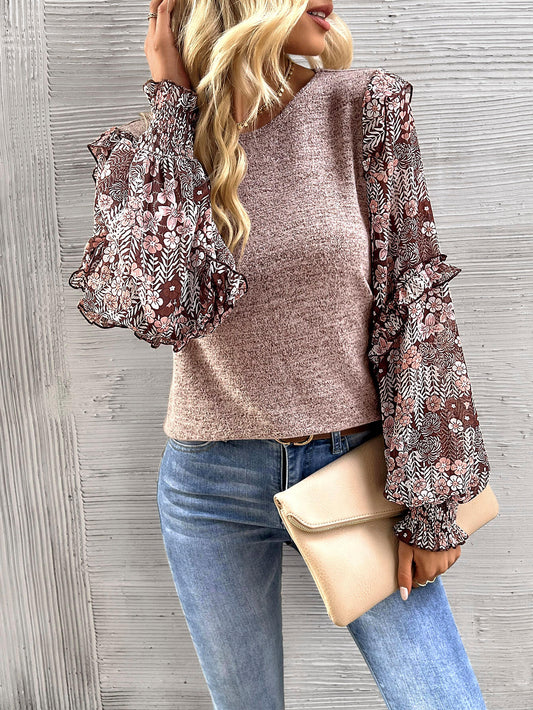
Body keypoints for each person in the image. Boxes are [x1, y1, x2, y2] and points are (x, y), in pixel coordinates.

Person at [70, 0, 491, 707]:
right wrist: (173, 105)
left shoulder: (361, 107)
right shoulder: (164, 151)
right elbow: (164, 309)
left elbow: (413, 301)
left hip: (354, 470)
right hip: (207, 486)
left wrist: (430, 505)